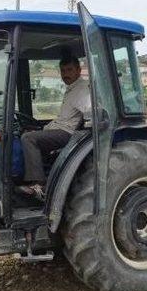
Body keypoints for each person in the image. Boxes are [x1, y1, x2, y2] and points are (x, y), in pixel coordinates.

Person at [17, 56, 90, 201]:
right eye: (63, 71)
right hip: (61, 129)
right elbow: (62, 118)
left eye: (69, 70)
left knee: (28, 139)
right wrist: (41, 129)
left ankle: (39, 185)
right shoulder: (72, 89)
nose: (65, 74)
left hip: (67, 133)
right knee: (29, 133)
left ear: (79, 70)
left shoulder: (81, 90)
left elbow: (90, 110)